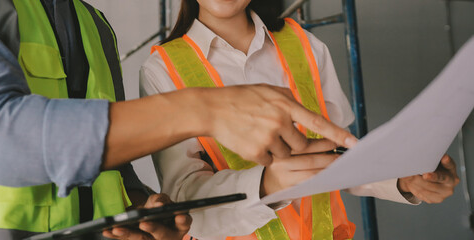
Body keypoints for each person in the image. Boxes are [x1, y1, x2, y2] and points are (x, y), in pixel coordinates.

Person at [0, 0, 357, 239]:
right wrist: (205, 107)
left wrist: (147, 210)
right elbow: (6, 143)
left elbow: (108, 166)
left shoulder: (90, 21)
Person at [140, 0, 461, 239]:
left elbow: (338, 159)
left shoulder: (305, 45)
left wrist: (402, 180)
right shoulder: (162, 70)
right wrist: (268, 185)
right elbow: (183, 200)